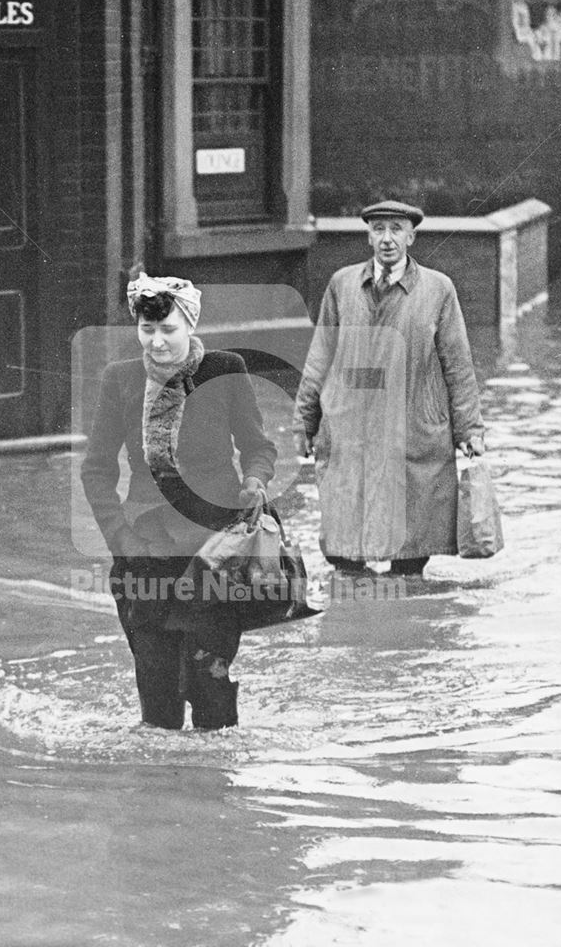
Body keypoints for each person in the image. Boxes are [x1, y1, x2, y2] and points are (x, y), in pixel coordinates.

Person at [81, 273, 276, 730]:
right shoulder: (121, 378)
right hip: (144, 555)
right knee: (158, 707)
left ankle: (213, 793)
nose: (157, 342)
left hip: (216, 555)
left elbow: (259, 447)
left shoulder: (225, 370)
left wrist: (254, 480)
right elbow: (97, 469)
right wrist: (121, 539)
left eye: (168, 329)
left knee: (213, 703)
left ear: (190, 323)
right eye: (147, 331)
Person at [293, 199, 485, 577]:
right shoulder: (342, 284)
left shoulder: (438, 290)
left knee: (410, 554)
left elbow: (458, 365)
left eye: (396, 229)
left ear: (411, 236)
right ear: (368, 236)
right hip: (351, 428)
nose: (387, 239)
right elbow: (320, 357)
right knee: (344, 553)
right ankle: (353, 625)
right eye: (378, 229)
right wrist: (304, 421)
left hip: (412, 429)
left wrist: (470, 430)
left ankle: (403, 626)